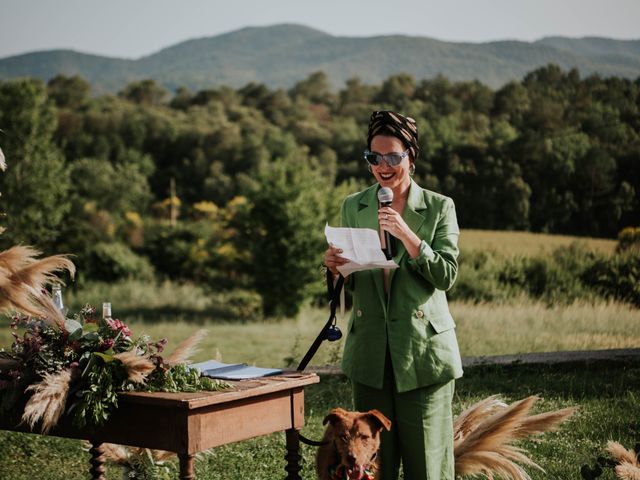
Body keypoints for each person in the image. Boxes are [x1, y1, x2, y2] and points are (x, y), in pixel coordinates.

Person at [324, 110, 462, 480]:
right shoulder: (354, 205)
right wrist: (335, 268)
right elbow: (352, 283)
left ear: (411, 158)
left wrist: (409, 237)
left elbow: (447, 275)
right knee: (368, 469)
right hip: (370, 354)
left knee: (427, 468)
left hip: (422, 356)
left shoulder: (439, 207)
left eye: (393, 157)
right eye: (374, 158)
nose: (383, 166)